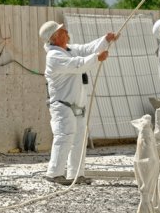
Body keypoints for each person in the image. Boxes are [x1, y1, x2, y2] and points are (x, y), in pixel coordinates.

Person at [39, 20, 118, 185]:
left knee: (79, 139)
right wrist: (97, 58)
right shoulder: (54, 56)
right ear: (55, 37)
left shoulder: (68, 50)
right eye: (62, 31)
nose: (66, 32)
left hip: (77, 105)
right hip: (62, 106)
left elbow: (86, 49)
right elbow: (78, 64)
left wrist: (105, 40)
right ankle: (54, 173)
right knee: (64, 137)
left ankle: (76, 174)